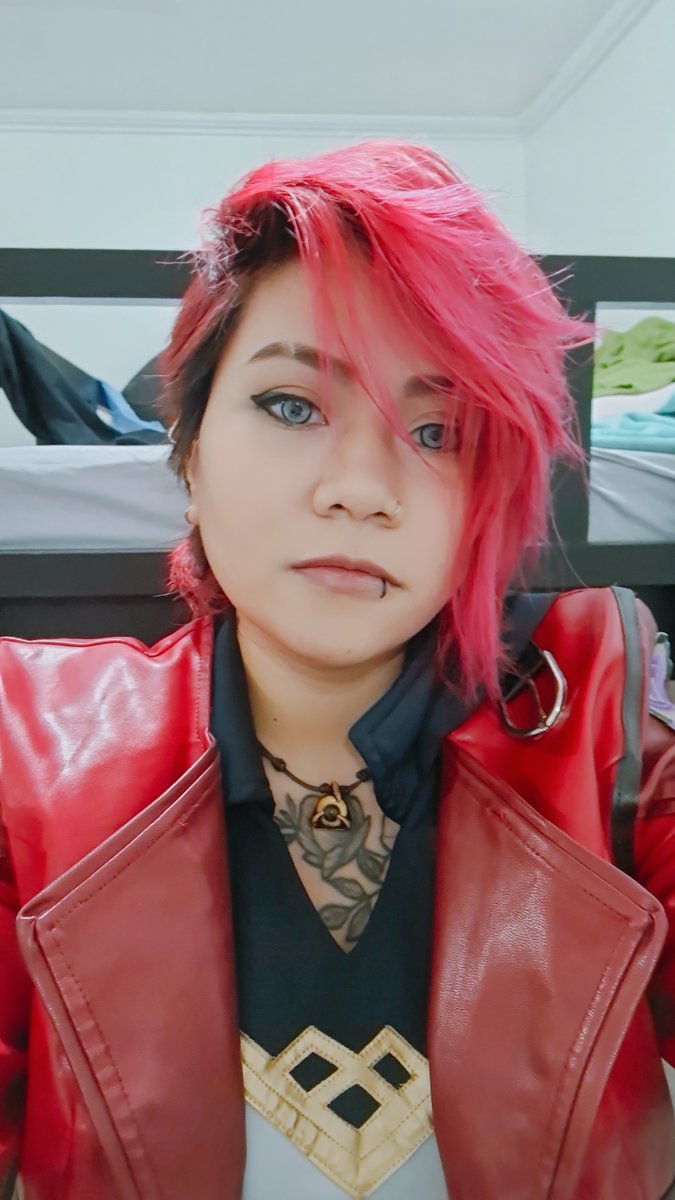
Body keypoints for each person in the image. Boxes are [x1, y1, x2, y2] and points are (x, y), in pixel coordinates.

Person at [1, 141, 674, 1200]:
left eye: (438, 430)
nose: (361, 488)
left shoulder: (606, 707)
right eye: (291, 405)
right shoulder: (28, 740)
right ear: (190, 452)